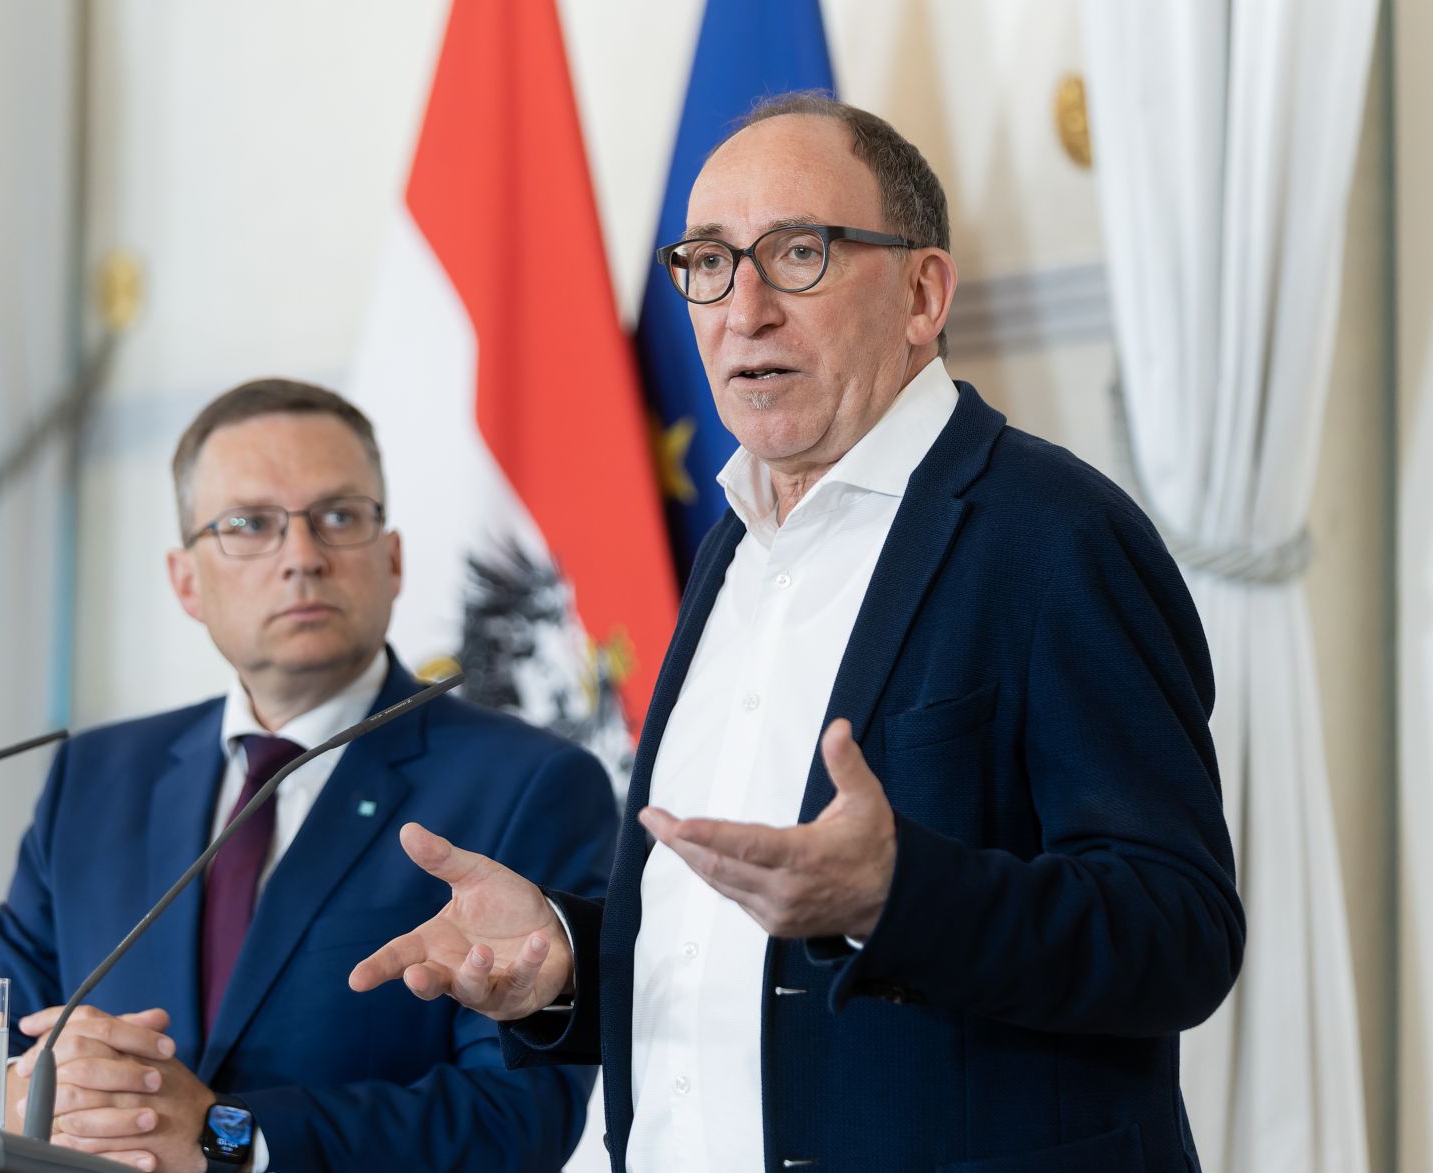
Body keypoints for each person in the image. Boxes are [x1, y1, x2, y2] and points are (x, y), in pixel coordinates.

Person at [350, 94, 1244, 1173]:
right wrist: (567, 960)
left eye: (798, 253)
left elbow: (1178, 931)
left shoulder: (1054, 536)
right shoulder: (729, 547)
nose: (745, 308)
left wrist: (898, 897)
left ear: (923, 294)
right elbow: (740, 957)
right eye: (708, 262)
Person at [0, 379, 619, 1173]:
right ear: (185, 579)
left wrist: (225, 1135)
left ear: (393, 558)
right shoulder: (97, 778)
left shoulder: (531, 785)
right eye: (250, 525)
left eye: (338, 517)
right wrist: (20, 1093)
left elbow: (519, 1121)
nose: (303, 557)